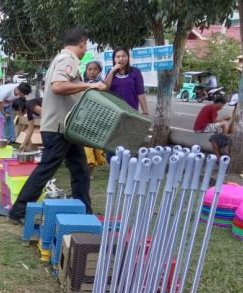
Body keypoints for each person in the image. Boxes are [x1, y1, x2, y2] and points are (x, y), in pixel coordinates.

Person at [8, 27, 107, 224]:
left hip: (68, 128)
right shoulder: (67, 59)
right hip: (58, 128)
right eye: (86, 44)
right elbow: (58, 86)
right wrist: (90, 85)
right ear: (82, 43)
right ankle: (18, 211)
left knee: (80, 169)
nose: (86, 48)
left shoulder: (63, 58)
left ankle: (84, 211)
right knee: (46, 169)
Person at [104, 47, 149, 116]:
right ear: (114, 59)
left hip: (131, 110)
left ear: (128, 58)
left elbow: (140, 93)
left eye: (124, 56)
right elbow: (105, 88)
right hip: (114, 111)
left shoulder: (136, 72)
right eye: (118, 57)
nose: (121, 59)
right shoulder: (110, 72)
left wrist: (145, 112)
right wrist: (112, 71)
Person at [208, 94, 243, 158]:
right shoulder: (236, 108)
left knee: (230, 141)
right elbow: (233, 122)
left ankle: (229, 159)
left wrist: (234, 135)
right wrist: (226, 133)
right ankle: (219, 159)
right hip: (232, 134)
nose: (235, 105)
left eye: (236, 104)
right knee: (213, 138)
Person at [82, 60, 108, 176]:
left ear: (100, 71)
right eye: (89, 69)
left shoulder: (101, 85)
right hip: (83, 119)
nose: (92, 72)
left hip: (96, 119)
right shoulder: (82, 84)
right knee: (86, 148)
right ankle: (87, 171)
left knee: (94, 147)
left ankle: (90, 172)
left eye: (95, 69)